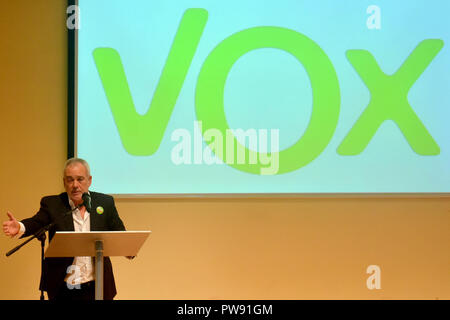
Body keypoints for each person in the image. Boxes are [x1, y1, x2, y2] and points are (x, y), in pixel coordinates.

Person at [2, 158, 127, 300]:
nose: (75, 185)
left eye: (80, 179)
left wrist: (128, 249)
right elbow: (37, 222)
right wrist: (19, 226)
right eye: (70, 180)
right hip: (64, 286)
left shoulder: (105, 202)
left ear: (89, 180)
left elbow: (119, 231)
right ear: (64, 182)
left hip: (97, 285)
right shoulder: (53, 204)